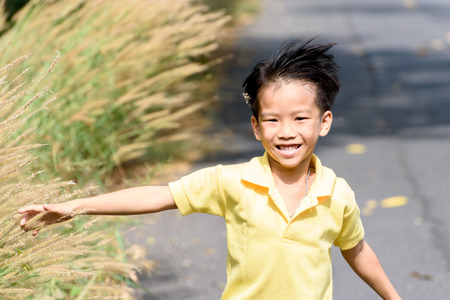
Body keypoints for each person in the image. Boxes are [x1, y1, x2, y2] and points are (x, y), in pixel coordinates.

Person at [19, 38, 401, 300]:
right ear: (255, 126)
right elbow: (159, 195)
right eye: (272, 120)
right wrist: (74, 207)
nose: (286, 132)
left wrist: (392, 296)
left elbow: (356, 250)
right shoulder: (233, 182)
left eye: (301, 118)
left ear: (324, 122)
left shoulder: (337, 193)